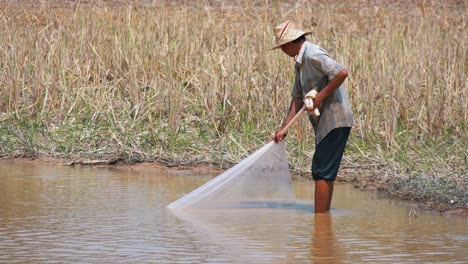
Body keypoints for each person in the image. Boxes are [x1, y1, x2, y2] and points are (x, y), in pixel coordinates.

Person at [270, 20, 353, 213]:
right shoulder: (299, 64)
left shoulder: (313, 53)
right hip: (325, 123)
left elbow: (341, 73)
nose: (283, 52)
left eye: (283, 48)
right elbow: (297, 99)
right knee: (323, 171)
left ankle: (320, 222)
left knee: (322, 171)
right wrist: (284, 128)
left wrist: (320, 98)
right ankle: (324, 219)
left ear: (289, 44)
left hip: (335, 119)